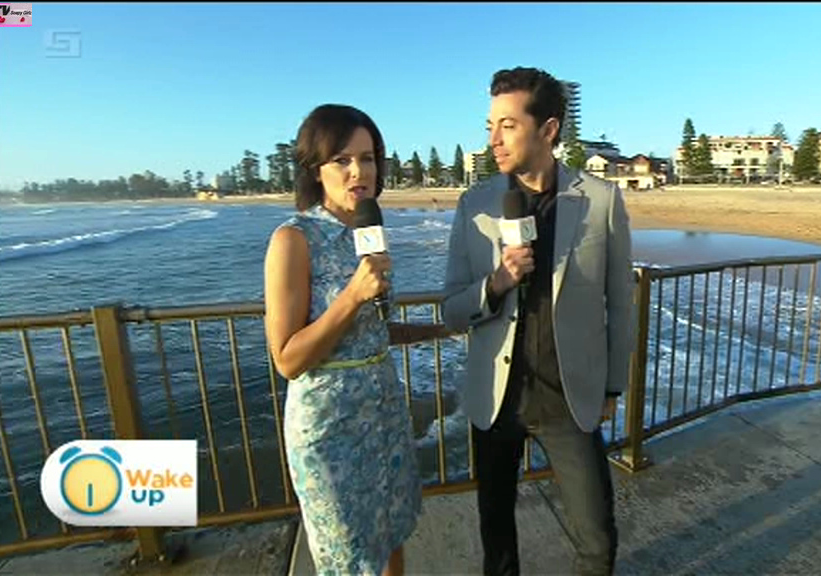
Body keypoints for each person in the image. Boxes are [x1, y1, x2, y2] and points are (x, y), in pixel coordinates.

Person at [441, 67, 635, 576]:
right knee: (497, 540)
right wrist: (497, 283)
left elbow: (621, 302)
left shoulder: (601, 199)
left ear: (548, 130)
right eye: (490, 126)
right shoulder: (475, 205)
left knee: (597, 538)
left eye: (507, 125)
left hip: (568, 397)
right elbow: (452, 309)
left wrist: (613, 387)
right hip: (495, 397)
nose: (493, 139)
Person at [264, 104, 422, 576]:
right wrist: (352, 294)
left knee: (393, 535)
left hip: (385, 414)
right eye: (342, 160)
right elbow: (287, 359)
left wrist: (445, 328)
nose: (360, 171)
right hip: (331, 429)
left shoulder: (369, 232)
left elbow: (371, 331)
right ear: (316, 169)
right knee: (349, 557)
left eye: (368, 158)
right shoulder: (293, 240)